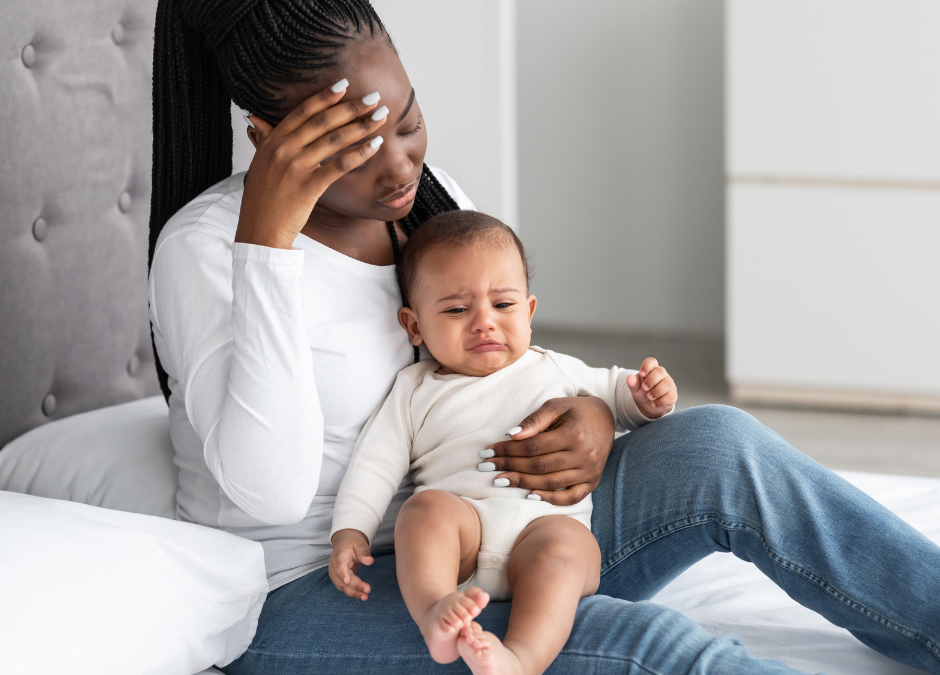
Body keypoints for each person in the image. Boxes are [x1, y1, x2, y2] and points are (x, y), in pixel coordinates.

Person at [148, 1, 940, 673]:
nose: (400, 169)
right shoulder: (207, 252)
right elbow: (272, 489)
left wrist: (590, 421)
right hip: (319, 588)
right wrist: (266, 242)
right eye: (356, 148)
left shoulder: (428, 200)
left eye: (410, 122)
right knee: (645, 647)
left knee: (723, 445)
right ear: (265, 136)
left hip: (500, 523)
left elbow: (515, 363)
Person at [328, 211, 678, 675]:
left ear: (529, 311)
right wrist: (350, 530)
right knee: (424, 511)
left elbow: (619, 395)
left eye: (503, 305)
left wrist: (648, 398)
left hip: (543, 529)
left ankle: (521, 659)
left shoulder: (555, 368)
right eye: (456, 310)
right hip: (464, 540)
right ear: (413, 327)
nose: (484, 323)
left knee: (566, 549)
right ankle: (435, 610)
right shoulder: (414, 389)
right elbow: (375, 464)